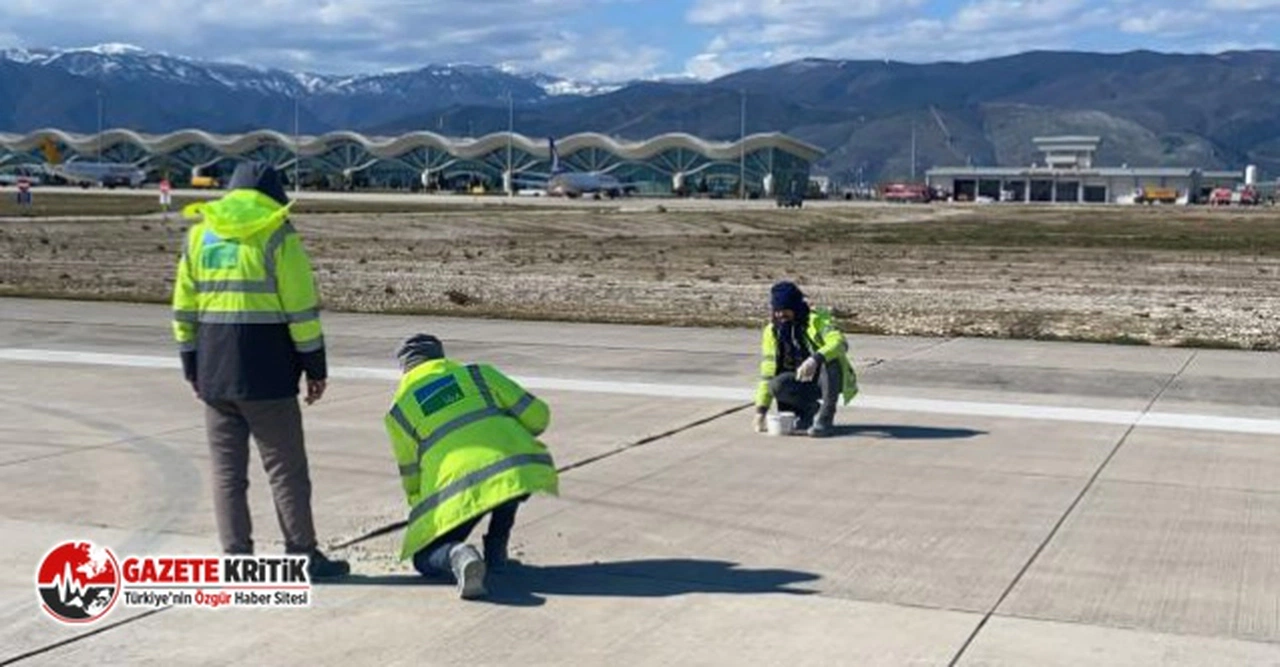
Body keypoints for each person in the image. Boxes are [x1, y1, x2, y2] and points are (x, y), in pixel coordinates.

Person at [171, 160, 349, 580]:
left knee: (227, 473)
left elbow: (183, 309)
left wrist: (190, 363)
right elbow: (301, 312)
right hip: (268, 375)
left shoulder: (199, 235)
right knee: (286, 470)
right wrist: (315, 367)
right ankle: (301, 554)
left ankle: (235, 558)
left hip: (214, 372)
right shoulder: (279, 236)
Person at [385, 334, 559, 600]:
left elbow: (411, 474)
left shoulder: (399, 412)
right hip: (512, 471)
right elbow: (538, 417)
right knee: (506, 473)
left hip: (457, 489)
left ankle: (458, 554)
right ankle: (496, 552)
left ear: (405, 369)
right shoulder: (479, 374)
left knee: (423, 558)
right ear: (440, 357)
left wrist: (424, 514)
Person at [752, 281, 858, 437]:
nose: (780, 315)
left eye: (785, 310)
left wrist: (815, 359)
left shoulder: (817, 320)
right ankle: (807, 411)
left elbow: (840, 343)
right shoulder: (772, 331)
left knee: (830, 361)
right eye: (777, 311)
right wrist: (761, 410)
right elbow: (768, 372)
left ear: (795, 307)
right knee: (776, 384)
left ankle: (825, 419)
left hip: (826, 380)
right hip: (800, 381)